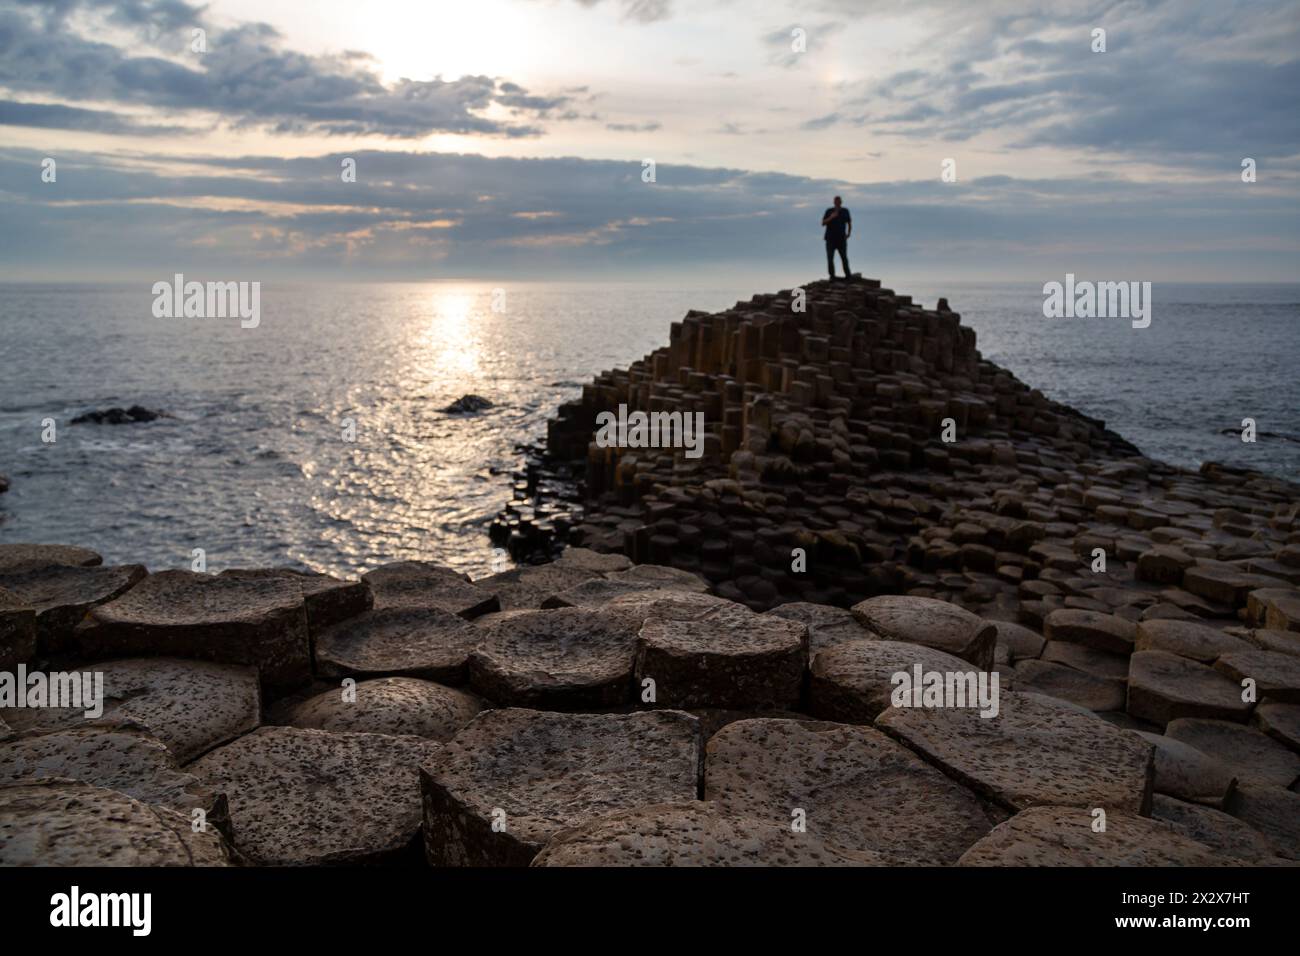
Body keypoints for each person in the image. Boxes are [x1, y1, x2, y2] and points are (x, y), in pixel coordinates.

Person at [821, 196, 852, 280]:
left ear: (841, 202)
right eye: (836, 201)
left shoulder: (845, 211)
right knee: (830, 258)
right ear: (834, 202)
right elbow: (823, 223)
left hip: (841, 239)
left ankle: (848, 276)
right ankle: (832, 276)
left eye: (839, 201)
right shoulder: (829, 211)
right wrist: (831, 217)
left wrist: (848, 234)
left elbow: (849, 223)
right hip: (830, 239)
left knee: (844, 258)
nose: (837, 202)